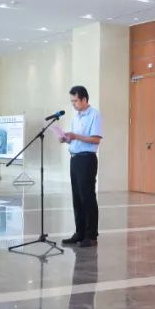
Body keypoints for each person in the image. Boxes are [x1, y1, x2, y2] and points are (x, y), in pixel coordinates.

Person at [60, 85, 103, 248]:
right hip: (75, 159)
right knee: (77, 198)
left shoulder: (94, 115)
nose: (73, 104)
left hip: (87, 160)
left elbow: (96, 139)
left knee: (87, 197)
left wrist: (76, 136)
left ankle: (91, 236)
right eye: (72, 101)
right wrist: (67, 138)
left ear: (84, 99)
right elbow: (76, 139)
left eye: (75, 101)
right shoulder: (76, 117)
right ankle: (80, 233)